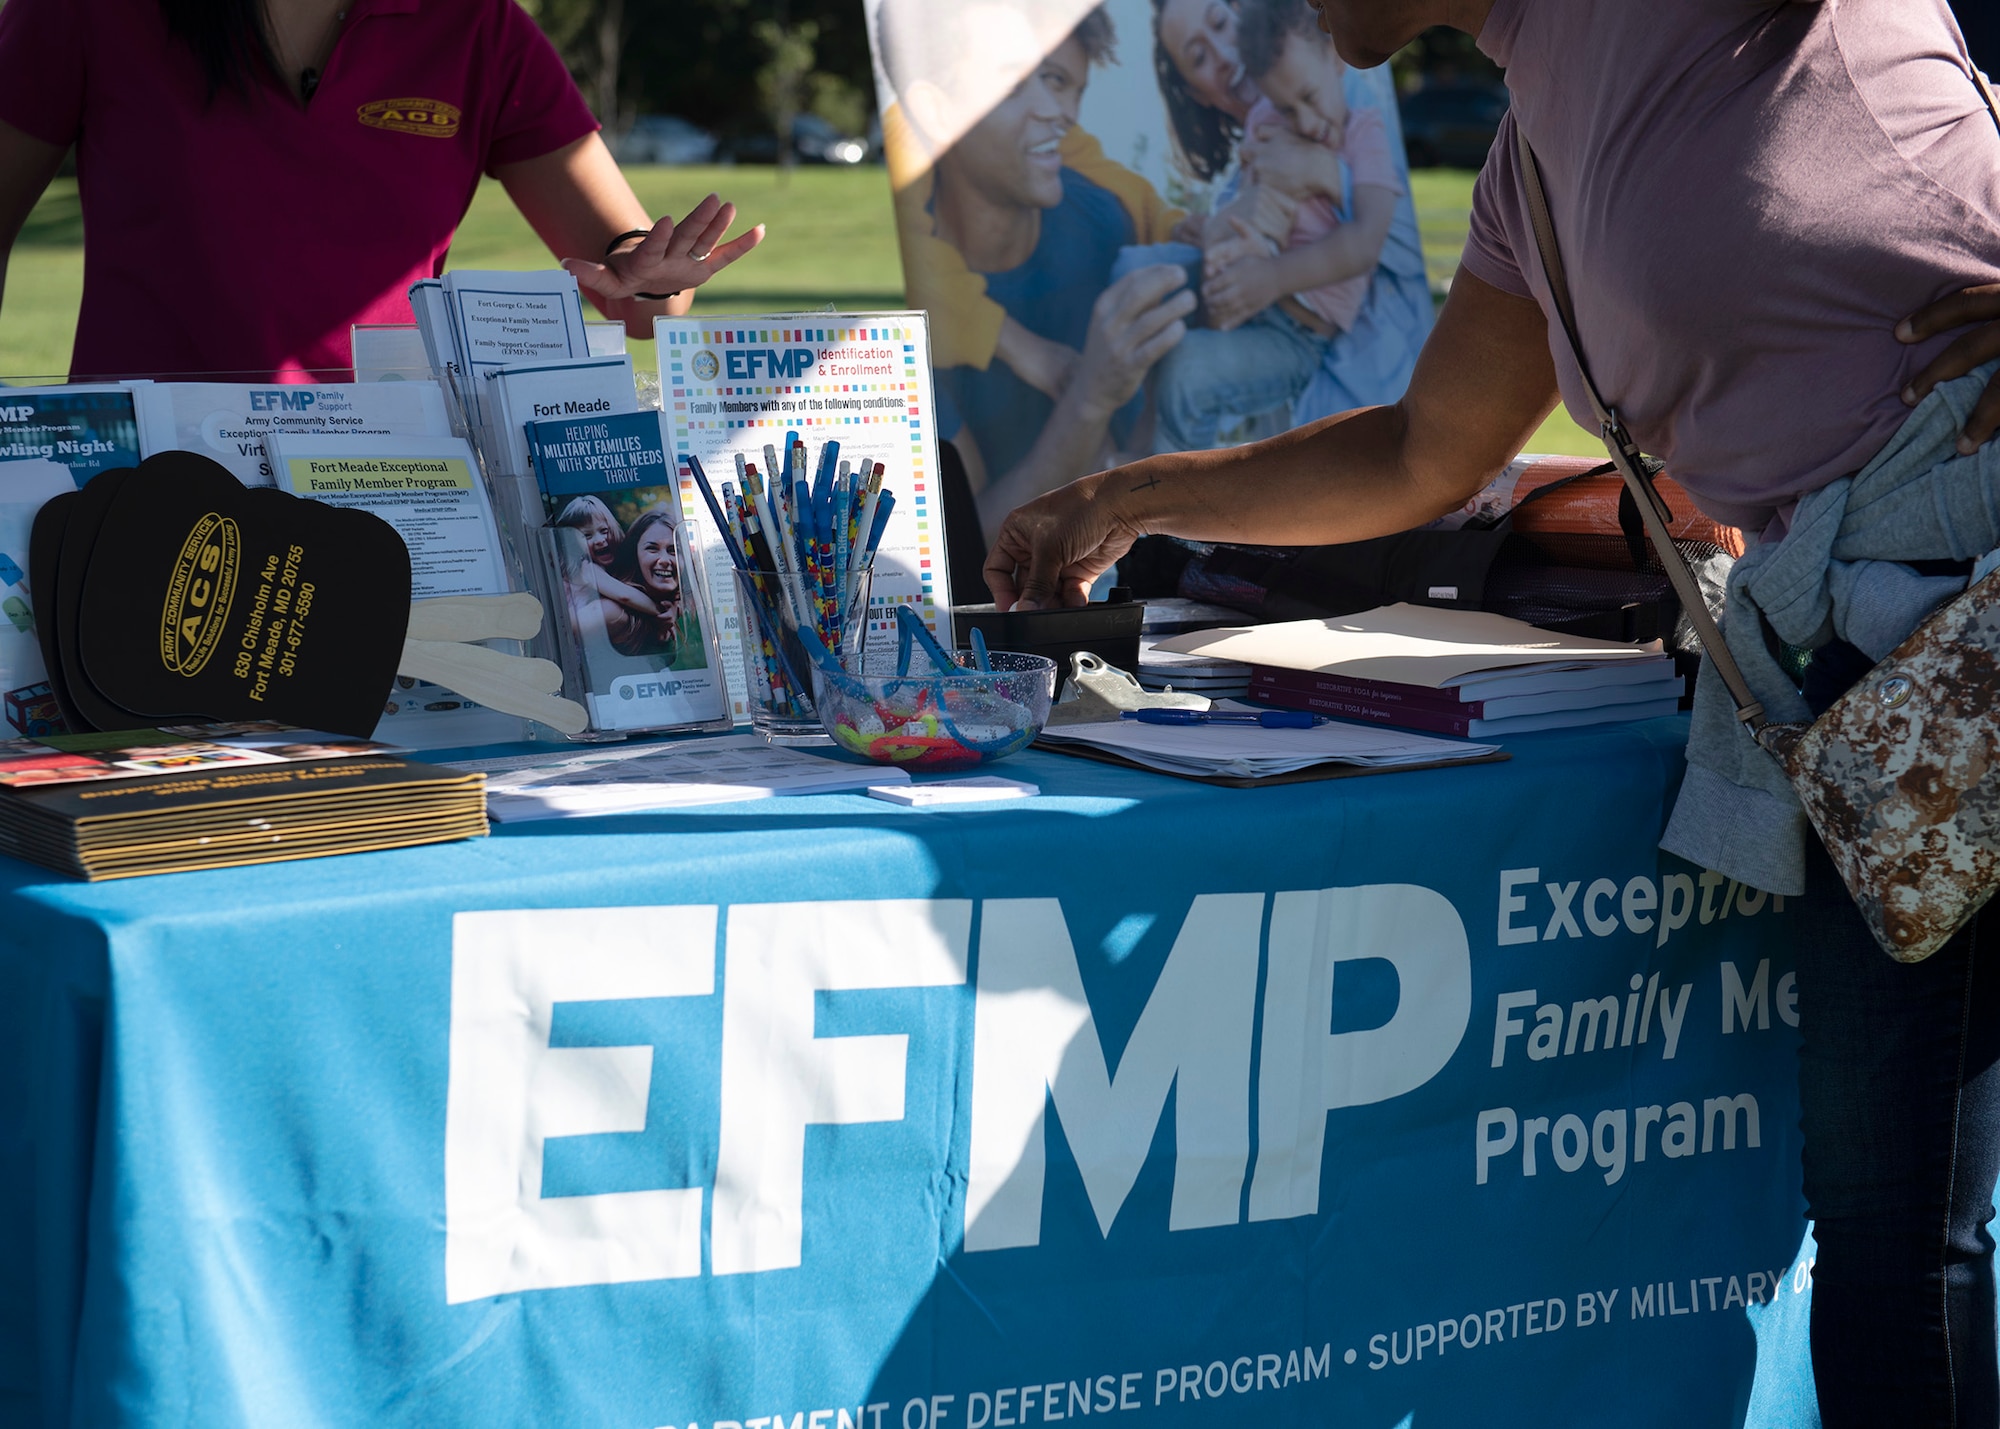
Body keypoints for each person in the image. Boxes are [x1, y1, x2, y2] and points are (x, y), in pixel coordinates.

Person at [984, 0, 2000, 1419]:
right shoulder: (1533, 162)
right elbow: (1425, 449)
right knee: (1896, 1221)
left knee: (1904, 1229)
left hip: (1963, 606)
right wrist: (1124, 497)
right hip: (1885, 673)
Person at [0, 0, 764, 382]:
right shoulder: (85, 10)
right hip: (139, 481)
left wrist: (651, 282)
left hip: (393, 491)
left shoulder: (476, 26)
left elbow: (634, 292)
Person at [873, 0, 1197, 533]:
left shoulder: (1104, 216)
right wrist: (1084, 394)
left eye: (1055, 78)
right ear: (934, 112)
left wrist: (1186, 231)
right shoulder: (907, 303)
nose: (1058, 109)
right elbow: (969, 552)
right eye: (1016, 84)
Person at [1151, 0, 1432, 426]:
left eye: (1308, 98)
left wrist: (1271, 276)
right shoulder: (1271, 114)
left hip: (1298, 331)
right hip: (1252, 293)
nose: (1303, 121)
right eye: (1286, 108)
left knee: (1184, 370)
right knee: (1138, 272)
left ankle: (1156, 483)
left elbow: (1365, 244)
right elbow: (1250, 196)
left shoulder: (1364, 129)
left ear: (1335, 61)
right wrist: (1218, 232)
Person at [604, 509, 686, 659]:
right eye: (652, 549)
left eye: (673, 550)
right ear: (634, 554)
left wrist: (675, 608)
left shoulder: (671, 604)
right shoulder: (615, 613)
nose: (664, 560)